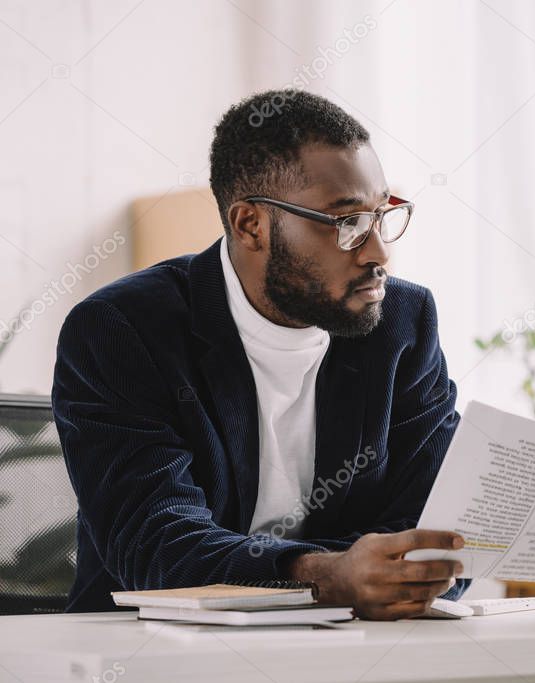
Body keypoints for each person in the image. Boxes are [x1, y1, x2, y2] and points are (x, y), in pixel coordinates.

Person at [52, 90, 467, 620]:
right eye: (346, 224)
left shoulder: (403, 322)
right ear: (251, 225)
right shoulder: (122, 330)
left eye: (381, 214)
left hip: (349, 645)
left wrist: (371, 581)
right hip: (150, 648)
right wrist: (328, 578)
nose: (378, 252)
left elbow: (436, 521)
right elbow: (157, 547)